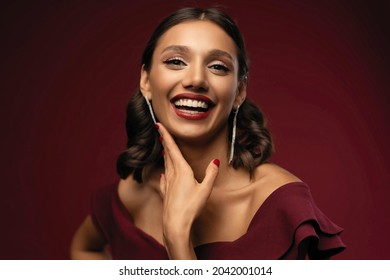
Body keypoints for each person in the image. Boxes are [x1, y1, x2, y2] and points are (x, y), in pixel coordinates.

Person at [70, 7, 345, 260]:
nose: (196, 80)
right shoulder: (133, 191)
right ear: (146, 81)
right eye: (176, 61)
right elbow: (83, 248)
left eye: (218, 67)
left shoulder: (278, 204)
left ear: (239, 92)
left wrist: (178, 237)